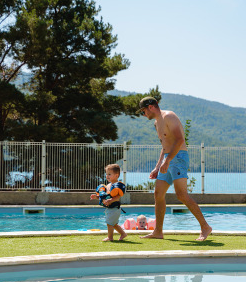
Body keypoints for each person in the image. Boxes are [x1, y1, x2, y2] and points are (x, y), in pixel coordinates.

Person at [137, 96, 212, 241]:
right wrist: (157, 166)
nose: (143, 114)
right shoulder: (156, 123)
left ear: (151, 107)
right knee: (158, 194)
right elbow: (164, 146)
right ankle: (158, 232)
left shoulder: (169, 116)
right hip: (167, 159)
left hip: (178, 158)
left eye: (143, 111)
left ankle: (205, 227)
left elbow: (180, 140)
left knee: (181, 195)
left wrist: (168, 160)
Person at [90, 164, 127, 241]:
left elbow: (118, 197)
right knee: (113, 224)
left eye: (109, 174)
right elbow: (104, 197)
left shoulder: (117, 186)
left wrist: (111, 200)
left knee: (109, 223)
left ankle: (110, 238)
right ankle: (123, 234)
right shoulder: (108, 185)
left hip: (114, 208)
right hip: (109, 208)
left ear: (116, 175)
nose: (107, 176)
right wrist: (96, 197)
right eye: (106, 174)